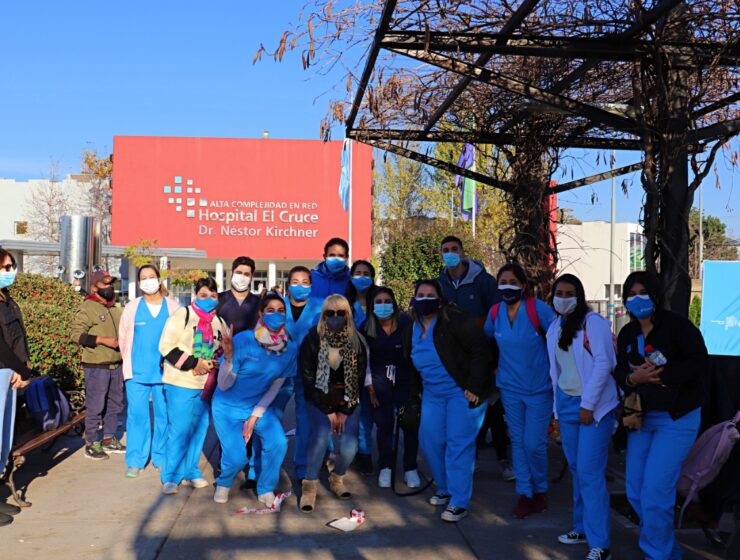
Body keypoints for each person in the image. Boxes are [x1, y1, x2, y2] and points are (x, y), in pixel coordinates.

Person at [614, 271, 707, 560]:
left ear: (655, 294)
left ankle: (657, 554)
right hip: (641, 418)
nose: (637, 299)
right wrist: (633, 379)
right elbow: (620, 371)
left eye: (643, 292)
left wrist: (660, 375)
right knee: (635, 491)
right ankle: (667, 548)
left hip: (676, 419)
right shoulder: (627, 333)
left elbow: (699, 364)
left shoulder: (678, 328)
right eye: (631, 294)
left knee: (656, 490)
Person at [403, 279, 493, 523]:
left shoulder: (455, 320)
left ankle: (459, 501)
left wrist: (474, 386)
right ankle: (444, 488)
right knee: (429, 440)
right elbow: (409, 361)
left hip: (461, 392)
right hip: (432, 393)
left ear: (440, 299)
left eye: (430, 295)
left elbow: (480, 350)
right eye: (420, 295)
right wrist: (414, 392)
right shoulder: (411, 326)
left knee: (458, 444)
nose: (425, 299)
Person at [546, 274, 618, 560]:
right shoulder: (555, 327)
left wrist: (587, 405)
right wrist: (556, 412)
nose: (563, 298)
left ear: (579, 296)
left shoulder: (593, 323)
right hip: (566, 404)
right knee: (577, 470)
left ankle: (601, 545)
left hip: (594, 408)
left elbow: (604, 363)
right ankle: (582, 528)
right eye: (559, 293)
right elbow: (556, 372)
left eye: (569, 293)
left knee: (589, 472)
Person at [484, 263, 556, 519]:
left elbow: (559, 339)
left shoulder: (538, 309)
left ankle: (540, 489)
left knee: (534, 443)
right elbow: (486, 340)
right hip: (509, 389)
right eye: (503, 282)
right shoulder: (495, 312)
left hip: (539, 389)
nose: (507, 286)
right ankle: (525, 493)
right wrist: (492, 368)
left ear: (523, 285)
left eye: (513, 282)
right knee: (517, 441)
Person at [211, 293, 297, 506]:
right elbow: (224, 384)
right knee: (237, 458)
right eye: (270, 310)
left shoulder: (290, 349)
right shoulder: (243, 340)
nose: (276, 315)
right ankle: (224, 482)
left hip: (258, 405)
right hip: (227, 407)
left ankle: (265, 487)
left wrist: (254, 416)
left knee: (278, 442)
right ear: (260, 313)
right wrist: (228, 358)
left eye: (281, 311)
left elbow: (275, 386)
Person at [437, 236, 510, 480]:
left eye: (454, 249)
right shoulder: (440, 283)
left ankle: (504, 460)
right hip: (457, 359)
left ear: (462, 252)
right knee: (465, 409)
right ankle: (472, 458)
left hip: (485, 353)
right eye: (445, 250)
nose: (450, 253)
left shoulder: (483, 281)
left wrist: (496, 358)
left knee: (493, 409)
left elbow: (498, 315)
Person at [298, 295, 368, 513]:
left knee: (349, 446)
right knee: (321, 435)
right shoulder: (312, 339)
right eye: (330, 313)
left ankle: (337, 477)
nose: (335, 317)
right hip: (320, 397)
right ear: (323, 315)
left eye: (341, 313)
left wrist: (345, 411)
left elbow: (358, 378)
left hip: (348, 397)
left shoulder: (357, 340)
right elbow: (308, 377)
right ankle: (309, 486)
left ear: (348, 315)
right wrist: (328, 410)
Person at [158, 277, 225, 495]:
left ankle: (191, 470)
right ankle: (171, 475)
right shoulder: (183, 314)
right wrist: (194, 363)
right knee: (179, 429)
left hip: (205, 385)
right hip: (180, 382)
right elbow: (166, 346)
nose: (209, 299)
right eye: (204, 295)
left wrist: (213, 361)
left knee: (199, 430)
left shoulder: (219, 321)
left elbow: (221, 350)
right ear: (196, 296)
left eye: (213, 295)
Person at [118, 264, 180, 478]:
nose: (148, 281)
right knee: (137, 416)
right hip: (137, 373)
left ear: (159, 279)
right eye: (143, 278)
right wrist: (129, 362)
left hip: (165, 373)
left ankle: (160, 456)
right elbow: (123, 338)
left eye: (151, 276)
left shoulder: (173, 307)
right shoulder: (132, 308)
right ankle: (136, 460)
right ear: (139, 282)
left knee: (164, 415)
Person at [362, 287, 420, 489]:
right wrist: (369, 387)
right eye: (378, 302)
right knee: (384, 426)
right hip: (379, 383)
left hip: (406, 381)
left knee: (410, 424)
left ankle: (410, 467)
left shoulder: (407, 324)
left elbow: (416, 352)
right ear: (372, 306)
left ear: (394, 304)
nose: (383, 305)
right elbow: (363, 360)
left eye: (387, 301)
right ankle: (386, 466)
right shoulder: (366, 327)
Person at [70, 269, 125, 461]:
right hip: (96, 366)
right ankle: (92, 442)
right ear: (94, 287)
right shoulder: (88, 307)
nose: (109, 287)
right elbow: (76, 334)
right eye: (105, 284)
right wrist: (101, 339)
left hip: (116, 364)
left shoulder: (115, 309)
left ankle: (109, 438)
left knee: (115, 404)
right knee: (96, 405)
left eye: (110, 284)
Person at [0, 249, 32, 527]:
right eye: (6, 267)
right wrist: (21, 369)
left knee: (3, 438)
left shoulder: (7, 299)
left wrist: (25, 366)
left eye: (11, 266)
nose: (11, 271)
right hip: (3, 371)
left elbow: (19, 337)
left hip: (11, 374)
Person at [283, 266, 322, 480]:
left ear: (311, 285)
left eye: (305, 282)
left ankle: (302, 467)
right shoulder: (277, 307)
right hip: (279, 373)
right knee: (267, 419)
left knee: (305, 422)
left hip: (308, 373)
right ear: (288, 285)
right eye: (295, 282)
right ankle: (257, 468)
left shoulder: (320, 307)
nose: (300, 286)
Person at [345, 259, 376, 475]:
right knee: (348, 412)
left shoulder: (380, 301)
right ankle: (347, 452)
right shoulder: (345, 303)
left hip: (375, 366)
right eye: (358, 273)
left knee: (367, 415)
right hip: (349, 365)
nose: (362, 277)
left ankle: (365, 454)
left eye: (366, 273)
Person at [217, 256, 260, 335]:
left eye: (246, 274)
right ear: (231, 272)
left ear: (251, 277)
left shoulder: (259, 303)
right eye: (239, 272)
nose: (242, 277)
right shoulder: (219, 299)